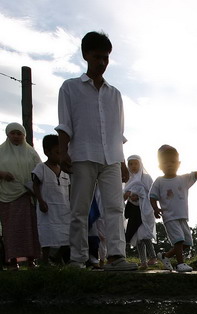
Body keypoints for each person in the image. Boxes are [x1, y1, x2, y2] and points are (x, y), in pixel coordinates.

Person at [56, 31, 137, 271]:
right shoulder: (70, 88)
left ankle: (116, 257)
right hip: (81, 155)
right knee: (79, 209)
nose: (102, 63)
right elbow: (65, 125)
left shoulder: (115, 94)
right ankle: (78, 260)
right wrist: (63, 152)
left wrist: (122, 162)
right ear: (85, 55)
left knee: (115, 207)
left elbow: (117, 132)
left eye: (106, 58)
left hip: (111, 158)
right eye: (97, 57)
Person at [149, 145, 197, 272]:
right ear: (159, 166)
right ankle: (180, 264)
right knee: (179, 240)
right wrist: (155, 209)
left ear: (179, 164)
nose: (169, 164)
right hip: (169, 217)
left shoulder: (184, 179)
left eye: (172, 161)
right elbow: (152, 196)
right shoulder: (159, 181)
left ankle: (165, 256)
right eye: (165, 162)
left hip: (182, 216)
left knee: (187, 243)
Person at [0, 122, 42, 269]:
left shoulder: (31, 152)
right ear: (8, 134)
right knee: (11, 230)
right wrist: (2, 174)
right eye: (13, 133)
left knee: (29, 229)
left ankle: (31, 260)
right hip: (7, 197)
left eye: (19, 134)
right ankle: (12, 262)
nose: (16, 136)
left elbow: (39, 170)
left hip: (26, 195)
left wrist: (34, 187)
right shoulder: (1, 151)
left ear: (24, 135)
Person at [32, 134, 71, 265]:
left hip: (63, 209)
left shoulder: (65, 171)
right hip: (47, 209)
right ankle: (45, 261)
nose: (60, 156)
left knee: (67, 236)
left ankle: (57, 258)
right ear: (46, 152)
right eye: (57, 153)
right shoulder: (41, 168)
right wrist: (41, 201)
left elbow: (69, 189)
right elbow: (35, 185)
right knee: (47, 235)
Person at [123, 155, 157, 269]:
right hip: (133, 211)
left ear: (140, 164)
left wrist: (139, 195)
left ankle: (153, 257)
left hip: (144, 209)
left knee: (144, 234)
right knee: (137, 237)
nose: (133, 166)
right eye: (130, 164)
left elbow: (152, 193)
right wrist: (128, 195)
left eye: (135, 163)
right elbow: (123, 195)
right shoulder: (128, 179)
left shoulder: (146, 178)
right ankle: (143, 262)